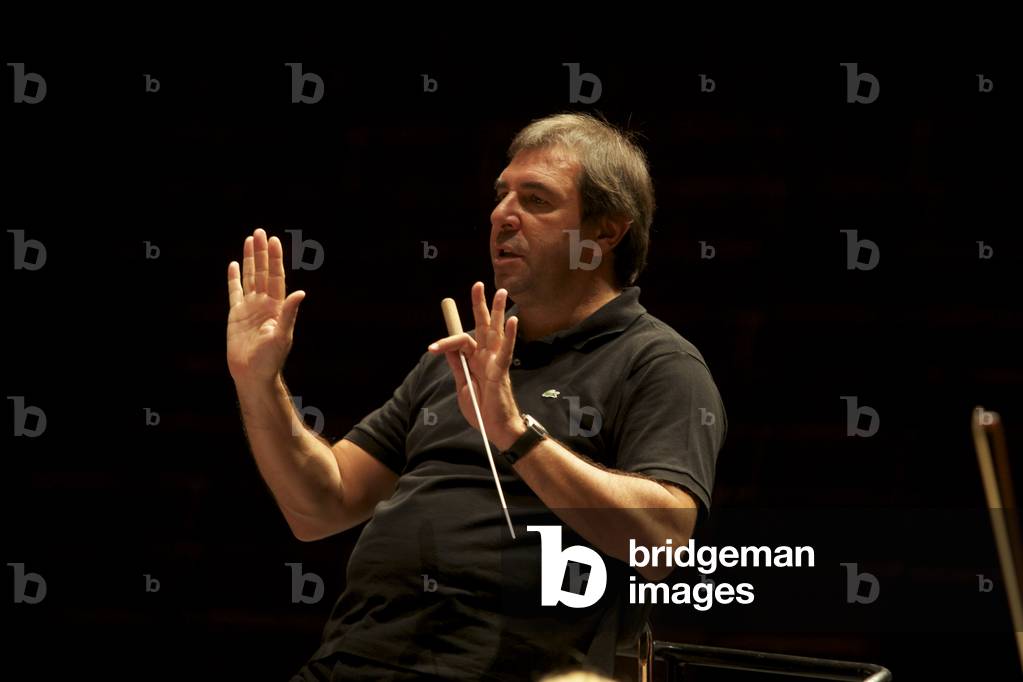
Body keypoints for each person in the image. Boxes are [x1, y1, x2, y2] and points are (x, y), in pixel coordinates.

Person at [226, 113, 727, 681]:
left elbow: (662, 541)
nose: (501, 215)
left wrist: (514, 431)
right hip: (350, 662)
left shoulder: (657, 363)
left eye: (536, 200)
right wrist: (258, 382)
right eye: (501, 194)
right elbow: (320, 505)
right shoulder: (461, 356)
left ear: (605, 232)